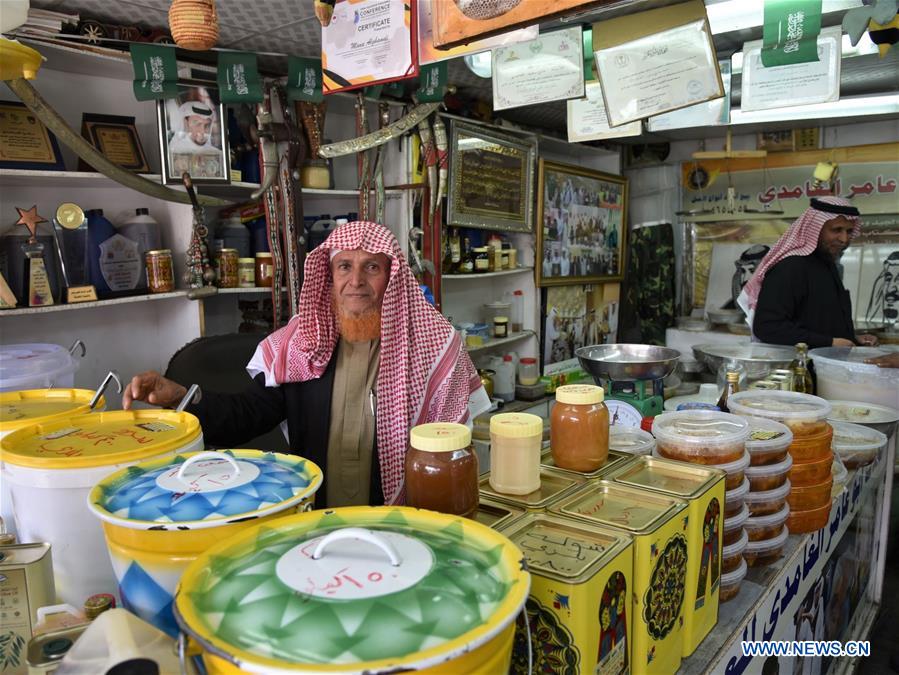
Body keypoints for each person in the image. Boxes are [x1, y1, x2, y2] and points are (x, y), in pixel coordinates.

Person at [123, 221, 490, 508]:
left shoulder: (435, 347)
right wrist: (180, 396)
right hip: (316, 516)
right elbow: (246, 414)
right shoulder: (303, 344)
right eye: (344, 266)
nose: (356, 281)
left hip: (403, 519)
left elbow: (452, 450)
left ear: (392, 277)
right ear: (329, 278)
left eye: (371, 267)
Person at [738, 197, 879, 348]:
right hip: (798, 368)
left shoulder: (827, 263)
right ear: (815, 228)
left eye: (849, 231)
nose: (844, 239)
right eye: (836, 230)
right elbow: (768, 327)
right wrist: (830, 342)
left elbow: (819, 320)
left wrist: (852, 338)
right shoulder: (790, 267)